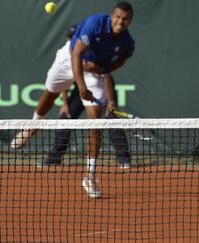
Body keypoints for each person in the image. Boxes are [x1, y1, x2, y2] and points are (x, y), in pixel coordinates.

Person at [11, 1, 135, 199]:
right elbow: (76, 53)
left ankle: (91, 175)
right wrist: (81, 87)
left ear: (130, 21)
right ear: (112, 15)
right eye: (118, 17)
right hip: (69, 59)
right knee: (50, 93)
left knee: (95, 122)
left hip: (91, 71)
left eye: (125, 19)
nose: (121, 22)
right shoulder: (95, 24)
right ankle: (33, 125)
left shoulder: (127, 42)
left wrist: (102, 70)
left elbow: (121, 60)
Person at [37, 26, 131, 169]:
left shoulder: (90, 51)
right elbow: (64, 83)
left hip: (101, 85)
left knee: (111, 119)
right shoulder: (69, 55)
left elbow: (106, 77)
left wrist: (111, 102)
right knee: (65, 118)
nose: (70, 40)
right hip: (81, 88)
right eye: (69, 37)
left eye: (72, 37)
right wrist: (64, 104)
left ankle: (124, 159)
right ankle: (54, 158)